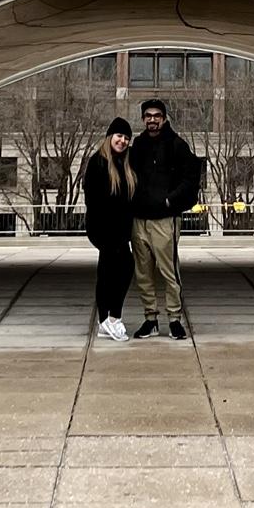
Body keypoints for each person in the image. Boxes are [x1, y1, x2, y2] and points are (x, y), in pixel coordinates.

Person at [128, 98, 200, 340]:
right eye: (148, 116)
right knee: (143, 273)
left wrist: (170, 201)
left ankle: (175, 319)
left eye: (157, 115)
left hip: (165, 220)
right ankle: (150, 319)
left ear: (164, 118)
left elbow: (191, 178)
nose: (152, 120)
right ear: (143, 119)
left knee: (169, 272)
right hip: (139, 219)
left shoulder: (177, 145)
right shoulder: (137, 145)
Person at [83, 117, 136, 341]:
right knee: (118, 268)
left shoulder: (125, 163)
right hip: (102, 227)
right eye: (119, 136)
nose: (122, 141)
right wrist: (107, 229)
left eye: (126, 138)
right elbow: (93, 200)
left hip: (120, 229)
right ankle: (111, 318)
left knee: (113, 269)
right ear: (109, 137)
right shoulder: (98, 162)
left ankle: (106, 321)